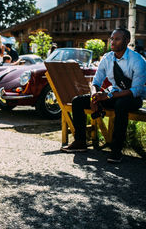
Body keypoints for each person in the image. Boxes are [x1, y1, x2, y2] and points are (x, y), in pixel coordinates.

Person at [61, 28, 146, 163]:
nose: (113, 42)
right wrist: (94, 97)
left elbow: (135, 90)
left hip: (132, 98)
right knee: (77, 101)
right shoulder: (107, 58)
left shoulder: (138, 60)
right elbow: (96, 82)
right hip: (112, 95)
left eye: (117, 39)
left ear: (127, 41)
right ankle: (80, 141)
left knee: (121, 104)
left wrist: (107, 97)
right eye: (112, 38)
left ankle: (116, 150)